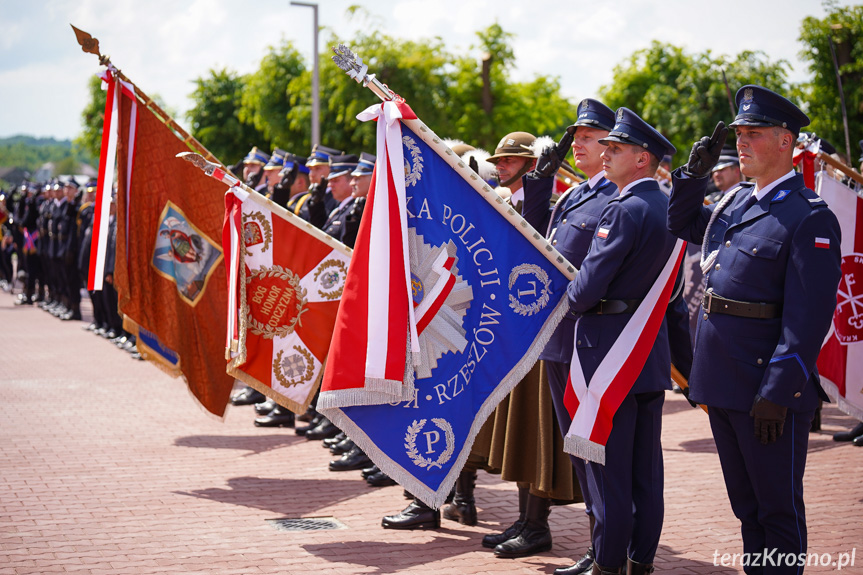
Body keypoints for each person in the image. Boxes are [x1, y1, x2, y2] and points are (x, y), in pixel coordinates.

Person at [668, 85, 842, 574]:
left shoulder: (809, 216)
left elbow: (808, 318)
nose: (741, 142)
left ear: (786, 141)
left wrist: (780, 389)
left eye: (754, 133)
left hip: (767, 386)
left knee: (777, 509)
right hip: (723, 380)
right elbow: (680, 222)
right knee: (747, 508)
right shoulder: (734, 203)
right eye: (739, 133)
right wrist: (691, 176)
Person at [564, 107, 692, 575]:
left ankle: (610, 562)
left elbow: (586, 288)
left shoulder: (624, 208)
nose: (606, 154)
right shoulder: (666, 206)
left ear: (642, 159)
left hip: (610, 355)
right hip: (648, 352)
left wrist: (571, 293)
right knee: (646, 473)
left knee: (609, 472)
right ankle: (641, 559)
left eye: (615, 149)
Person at [521, 99, 620, 575]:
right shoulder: (576, 196)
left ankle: (605, 551)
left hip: (588, 342)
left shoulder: (613, 199)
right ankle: (598, 545)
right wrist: (539, 180)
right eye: (574, 135)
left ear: (613, 145)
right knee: (578, 452)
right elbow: (537, 235)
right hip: (558, 340)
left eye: (588, 135)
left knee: (594, 452)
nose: (577, 142)